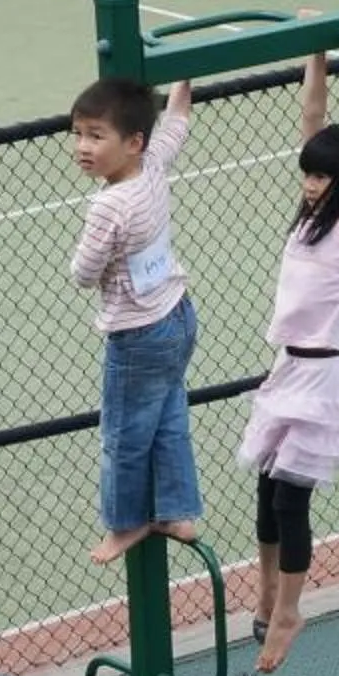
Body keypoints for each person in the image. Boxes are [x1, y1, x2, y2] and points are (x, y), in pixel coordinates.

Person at [237, 23, 339, 675]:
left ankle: (291, 610)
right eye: (307, 174)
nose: (309, 183)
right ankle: (267, 593)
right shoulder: (308, 219)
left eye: (322, 176)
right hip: (285, 371)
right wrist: (317, 48)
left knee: (290, 502)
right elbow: (313, 115)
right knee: (265, 495)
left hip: (320, 378)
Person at [67, 72, 200, 565]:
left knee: (123, 434)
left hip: (137, 333)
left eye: (96, 136)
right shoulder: (153, 166)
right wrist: (183, 80)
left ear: (133, 142)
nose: (83, 147)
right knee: (169, 418)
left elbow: (83, 273)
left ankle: (126, 524)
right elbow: (177, 122)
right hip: (178, 315)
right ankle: (178, 511)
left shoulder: (108, 205)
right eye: (78, 134)